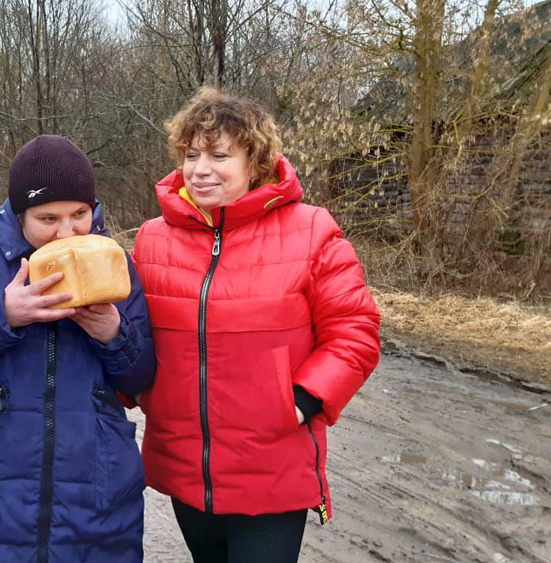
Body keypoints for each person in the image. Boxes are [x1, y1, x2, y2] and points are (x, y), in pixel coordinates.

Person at [131, 87, 381, 562]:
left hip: (272, 471)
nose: (201, 168)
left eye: (220, 154)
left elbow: (356, 329)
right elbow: (133, 335)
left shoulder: (311, 230)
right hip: (186, 469)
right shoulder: (152, 239)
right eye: (191, 154)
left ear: (256, 162)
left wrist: (302, 402)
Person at [0, 134, 155, 562]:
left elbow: (141, 379)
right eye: (49, 218)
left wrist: (113, 333)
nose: (67, 232)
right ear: (20, 213)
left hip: (98, 502)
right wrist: (2, 317)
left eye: (80, 214)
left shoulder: (115, 262)